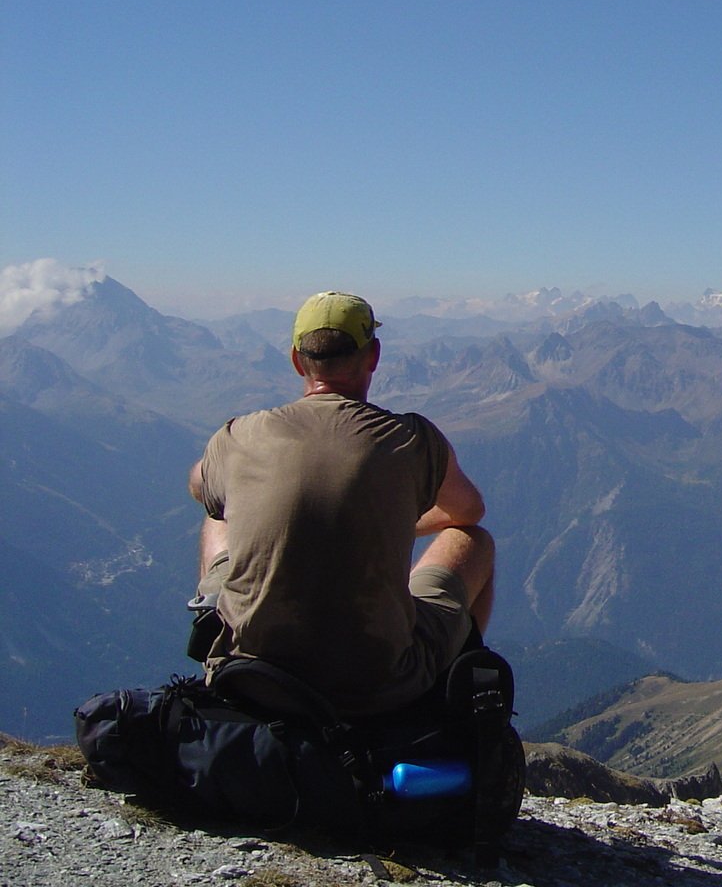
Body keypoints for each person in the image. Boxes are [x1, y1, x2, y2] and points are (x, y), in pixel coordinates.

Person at [187, 290, 495, 716]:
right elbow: (469, 512)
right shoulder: (412, 440)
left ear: (297, 360)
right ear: (374, 356)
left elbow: (199, 485)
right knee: (473, 541)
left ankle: (213, 624)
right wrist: (389, 522)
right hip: (379, 685)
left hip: (250, 678)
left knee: (217, 517)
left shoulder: (240, 435)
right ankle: (449, 698)